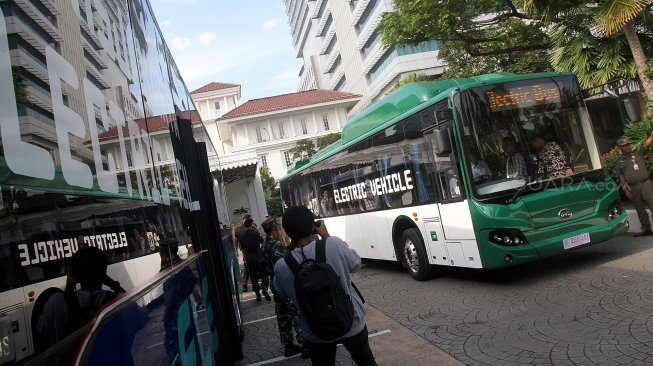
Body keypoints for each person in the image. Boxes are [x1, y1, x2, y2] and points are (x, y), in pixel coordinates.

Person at [273, 206, 377, 366]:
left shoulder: (281, 266)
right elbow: (356, 264)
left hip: (315, 331)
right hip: (352, 321)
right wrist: (326, 236)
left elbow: (280, 291)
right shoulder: (333, 244)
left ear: (287, 232)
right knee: (366, 362)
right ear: (312, 226)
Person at [36, 247, 121, 361]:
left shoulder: (56, 302)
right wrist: (113, 284)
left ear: (74, 274)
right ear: (104, 273)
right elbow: (138, 314)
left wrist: (69, 288)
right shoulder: (116, 301)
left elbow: (42, 332)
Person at [260, 218, 305, 358]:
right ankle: (305, 344)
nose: (279, 229)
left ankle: (288, 345)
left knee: (282, 314)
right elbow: (287, 262)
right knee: (295, 312)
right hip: (284, 282)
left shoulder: (264, 245)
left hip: (274, 284)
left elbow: (263, 267)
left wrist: (265, 286)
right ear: (274, 229)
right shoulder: (277, 244)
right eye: (277, 227)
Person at [617, 134, 653, 236]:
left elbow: (646, 144)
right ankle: (646, 228)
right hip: (633, 187)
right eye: (624, 145)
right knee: (639, 208)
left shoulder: (638, 153)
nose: (627, 146)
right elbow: (621, 177)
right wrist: (625, 190)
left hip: (646, 183)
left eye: (628, 144)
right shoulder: (619, 162)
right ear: (620, 147)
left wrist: (651, 136)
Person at [240, 218, 271, 301]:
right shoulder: (255, 233)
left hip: (249, 259)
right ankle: (264, 288)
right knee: (264, 274)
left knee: (253, 277)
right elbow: (263, 242)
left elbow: (243, 250)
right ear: (251, 224)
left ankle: (258, 295)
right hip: (259, 257)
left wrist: (246, 260)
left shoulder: (242, 237)